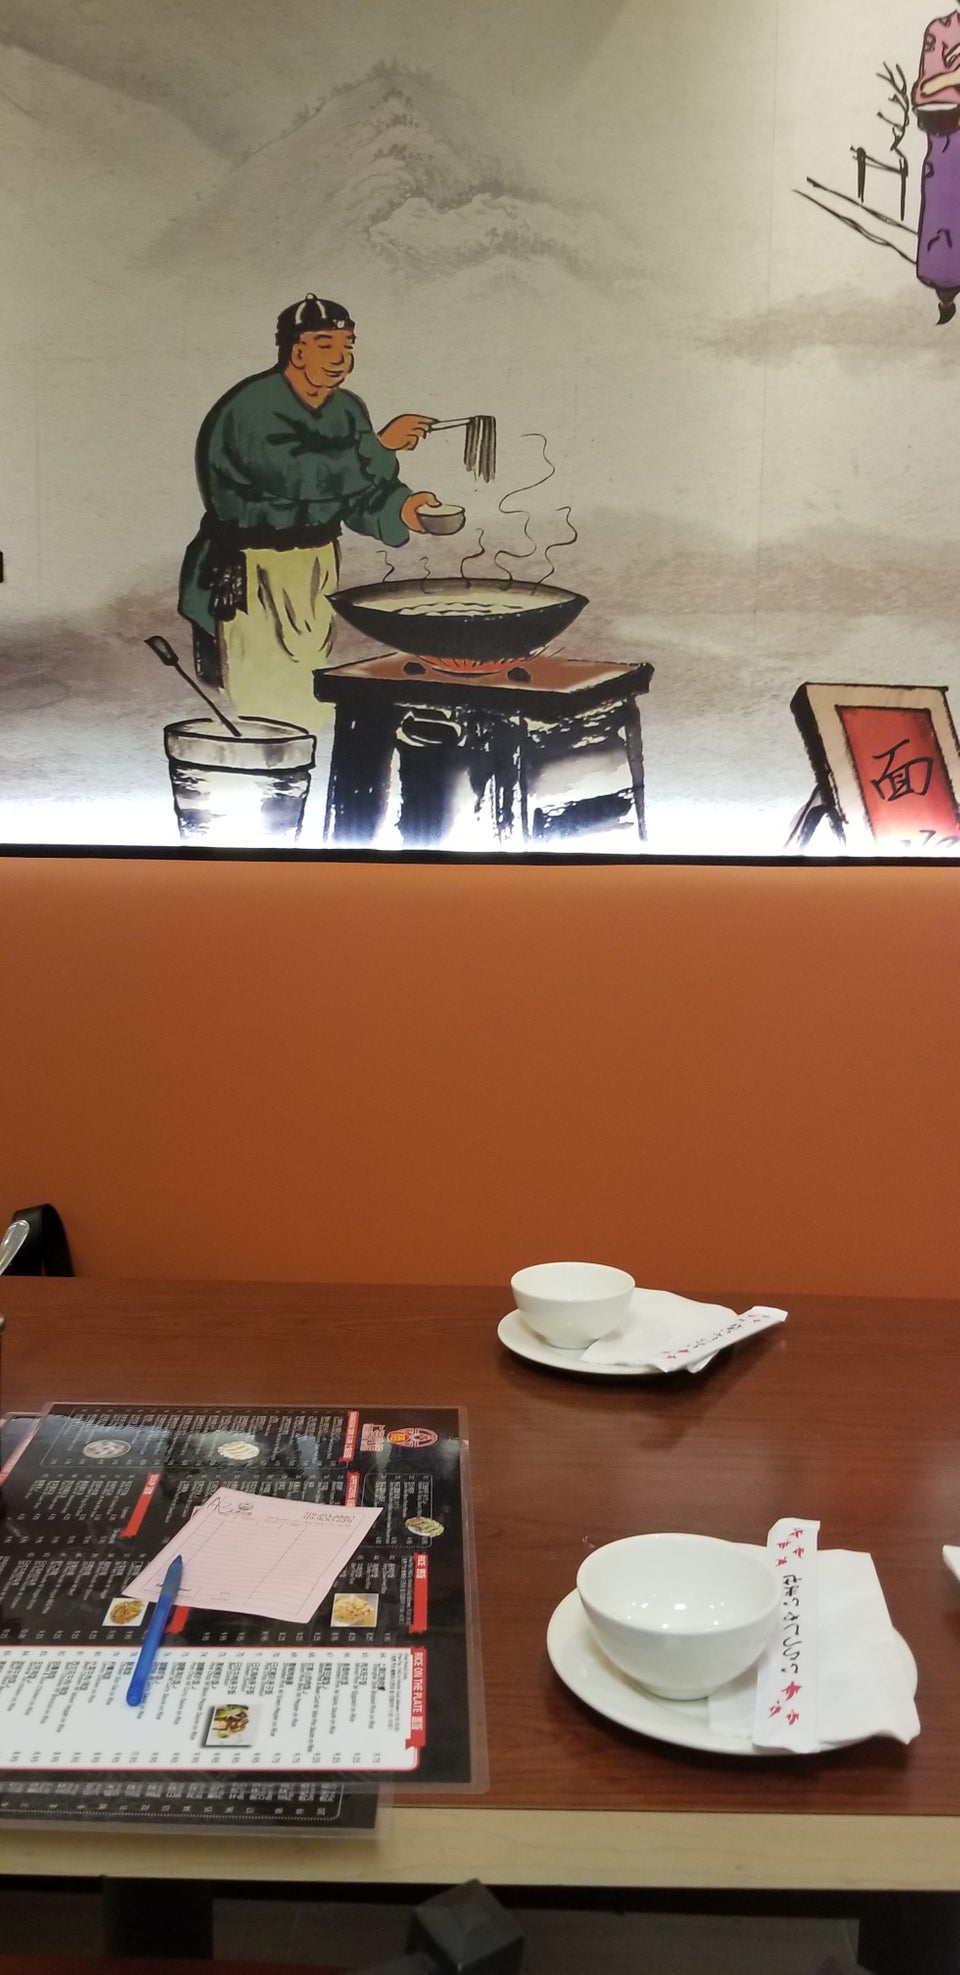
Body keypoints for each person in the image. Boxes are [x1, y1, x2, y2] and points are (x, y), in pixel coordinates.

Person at [178, 294, 440, 729]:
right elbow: (300, 475)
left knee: (307, 680)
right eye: (325, 344)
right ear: (296, 350)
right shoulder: (252, 407)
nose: (340, 357)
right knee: (259, 693)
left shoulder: (346, 409)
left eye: (347, 345)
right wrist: (380, 445)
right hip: (252, 565)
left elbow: (357, 492)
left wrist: (403, 508)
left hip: (316, 562)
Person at [913, 15, 960, 324]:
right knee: (947, 212)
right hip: (949, 137)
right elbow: (925, 89)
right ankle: (946, 289)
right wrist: (954, 76)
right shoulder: (942, 30)